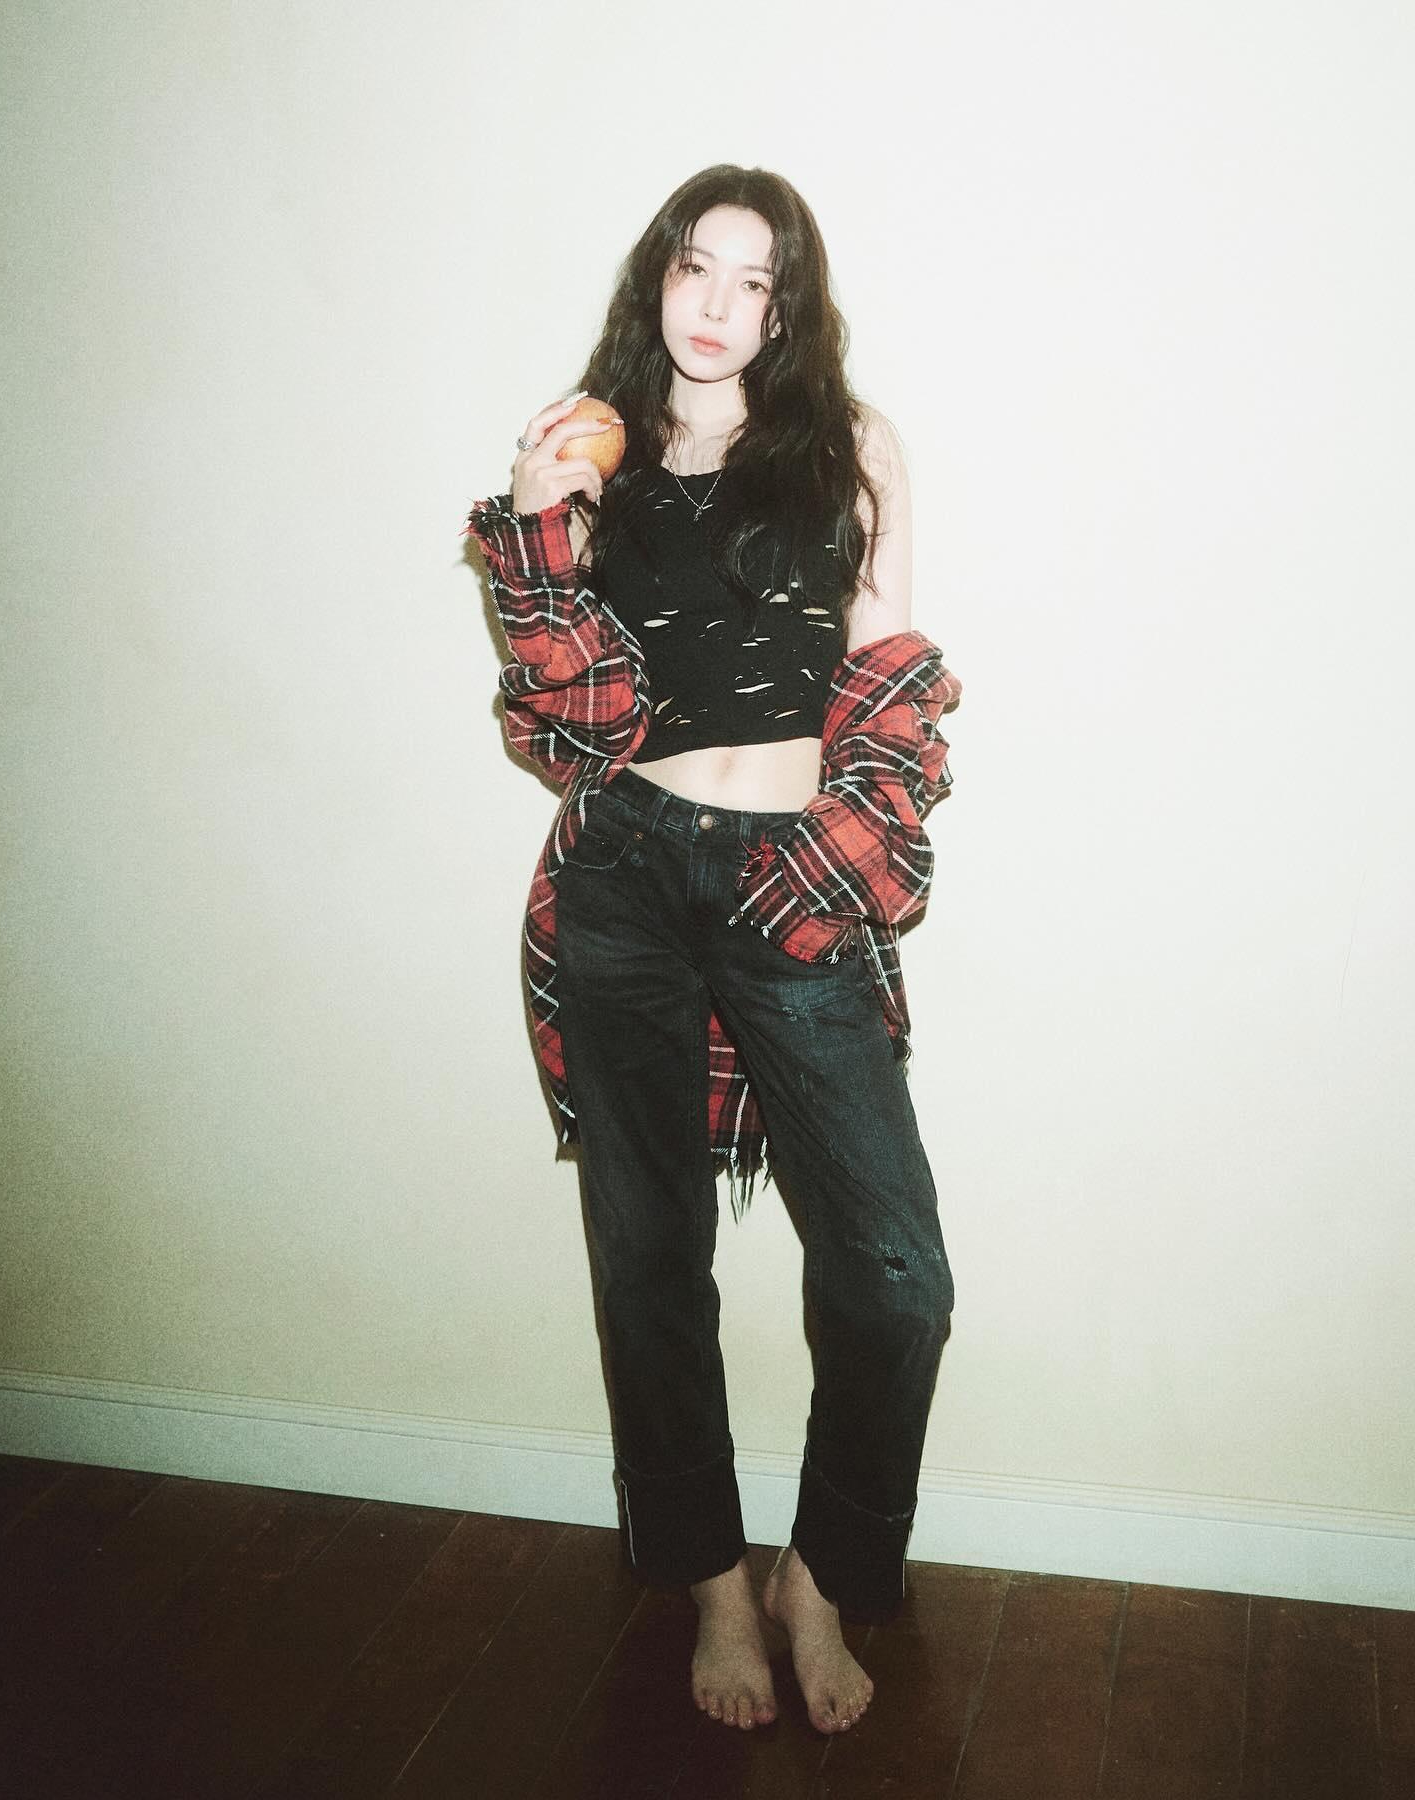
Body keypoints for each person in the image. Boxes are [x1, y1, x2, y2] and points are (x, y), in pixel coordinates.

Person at [464, 164, 962, 1737]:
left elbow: (885, 666)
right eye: (697, 266)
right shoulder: (593, 447)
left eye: (758, 281)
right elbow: (569, 729)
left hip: (787, 876)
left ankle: (824, 1571)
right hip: (623, 881)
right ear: (656, 278)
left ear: (788, 310)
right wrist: (535, 531)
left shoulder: (847, 446)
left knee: (895, 1276)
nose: (720, 304)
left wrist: (845, 848)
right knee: (649, 1261)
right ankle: (711, 1585)